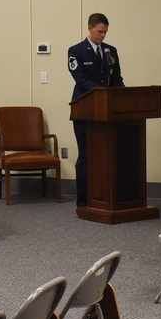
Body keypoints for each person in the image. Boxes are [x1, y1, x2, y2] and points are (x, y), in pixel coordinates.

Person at [67, 13, 124, 208]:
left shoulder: (111, 51)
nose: (103, 36)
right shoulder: (76, 51)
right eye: (100, 32)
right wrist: (105, 94)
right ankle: (84, 200)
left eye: (105, 32)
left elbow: (116, 78)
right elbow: (81, 80)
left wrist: (122, 97)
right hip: (85, 110)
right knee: (86, 155)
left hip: (107, 111)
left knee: (108, 154)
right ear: (90, 28)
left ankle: (105, 197)